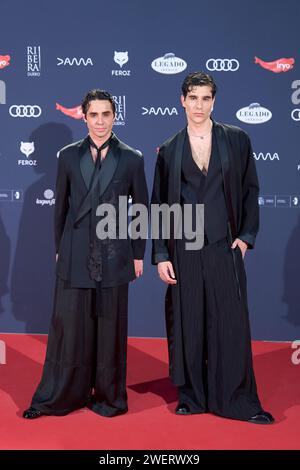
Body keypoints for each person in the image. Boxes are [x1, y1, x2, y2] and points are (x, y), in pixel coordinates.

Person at [151, 72, 274, 424]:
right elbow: (160, 207)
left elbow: (251, 190)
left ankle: (236, 399)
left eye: (206, 98)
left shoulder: (236, 140)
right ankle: (191, 397)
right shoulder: (170, 148)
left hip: (224, 245)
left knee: (230, 325)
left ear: (214, 102)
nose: (199, 105)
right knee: (188, 324)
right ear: (182, 101)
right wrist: (160, 254)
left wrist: (246, 237)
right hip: (184, 248)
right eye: (193, 98)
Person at [23, 89, 148, 419]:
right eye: (94, 115)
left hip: (115, 251)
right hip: (76, 250)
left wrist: (138, 254)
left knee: (110, 328)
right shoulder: (67, 156)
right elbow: (60, 209)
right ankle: (65, 393)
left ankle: (109, 397)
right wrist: (59, 250)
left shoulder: (132, 157)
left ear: (115, 116)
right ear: (83, 116)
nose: (100, 121)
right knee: (72, 327)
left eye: (106, 114)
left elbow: (140, 210)